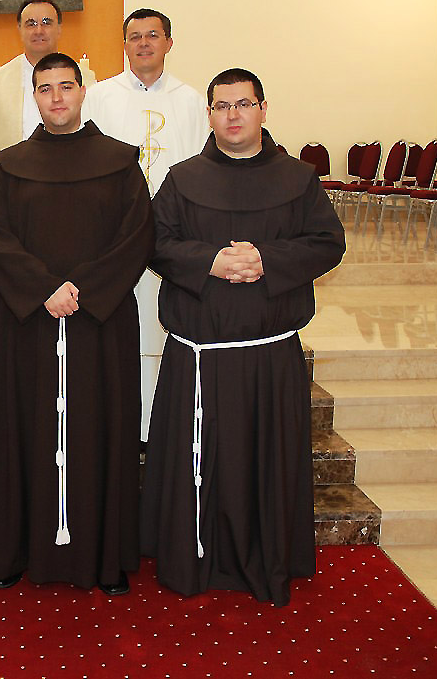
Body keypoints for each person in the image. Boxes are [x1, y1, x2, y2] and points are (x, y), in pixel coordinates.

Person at [140, 68, 345, 607]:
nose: (233, 115)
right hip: (198, 358)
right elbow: (154, 242)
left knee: (265, 465)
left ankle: (267, 554)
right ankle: (194, 557)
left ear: (263, 109)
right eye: (222, 106)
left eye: (243, 104)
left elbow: (328, 243)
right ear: (209, 114)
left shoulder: (298, 178)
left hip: (268, 356)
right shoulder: (183, 179)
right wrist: (210, 260)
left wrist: (266, 259)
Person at [0, 53, 152, 595]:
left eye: (66, 86)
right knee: (21, 430)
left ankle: (103, 556)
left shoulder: (120, 161)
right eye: (45, 88)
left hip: (99, 321)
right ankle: (13, 551)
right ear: (34, 97)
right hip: (26, 321)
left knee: (101, 429)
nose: (56, 96)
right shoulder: (11, 164)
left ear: (82, 92)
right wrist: (44, 288)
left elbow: (136, 236)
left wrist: (84, 291)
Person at [86, 9, 210, 443]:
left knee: (162, 330)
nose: (143, 44)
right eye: (134, 36)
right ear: (124, 45)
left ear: (168, 43)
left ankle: (161, 426)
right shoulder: (99, 97)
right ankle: (122, 425)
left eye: (152, 35)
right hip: (114, 237)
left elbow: (201, 171)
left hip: (172, 234)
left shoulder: (191, 101)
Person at [0, 0, 63, 153]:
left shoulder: (83, 79)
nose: (39, 31)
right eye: (31, 24)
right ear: (19, 30)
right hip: (15, 168)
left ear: (59, 29)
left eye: (46, 22)